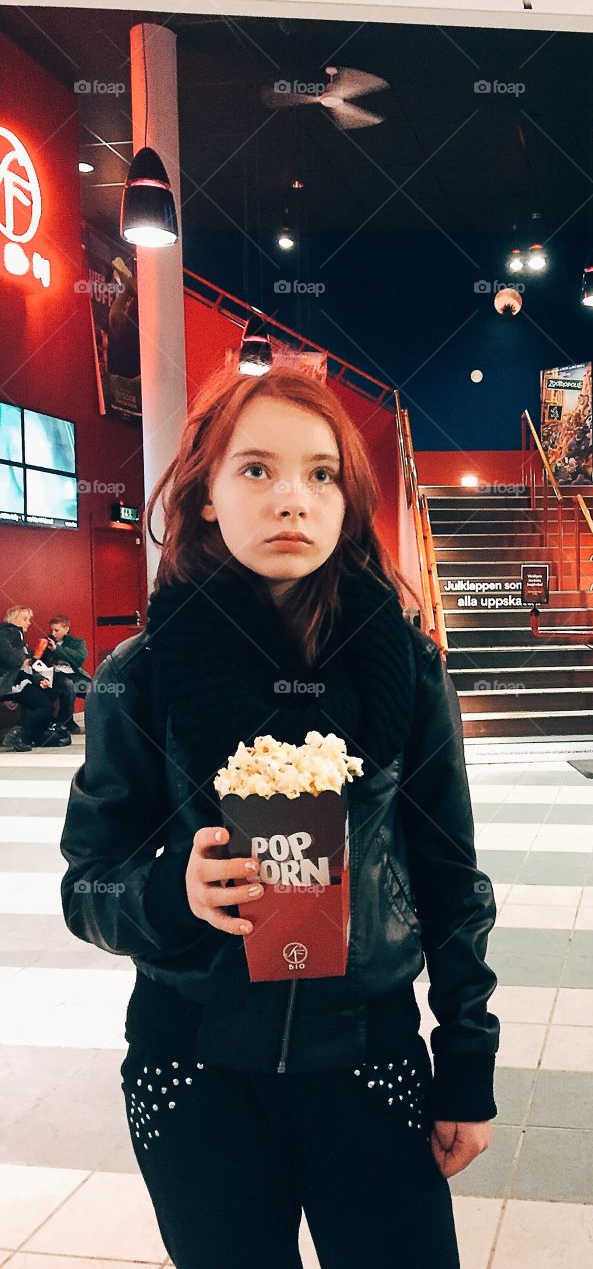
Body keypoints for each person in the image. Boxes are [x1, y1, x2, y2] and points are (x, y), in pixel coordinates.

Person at [59, 365, 499, 1269]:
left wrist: (466, 1062)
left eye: (321, 473)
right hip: (194, 1073)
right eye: (255, 469)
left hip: (370, 1065)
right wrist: (169, 893)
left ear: (348, 499)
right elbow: (88, 884)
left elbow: (453, 881)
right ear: (207, 496)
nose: (291, 498)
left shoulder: (408, 671)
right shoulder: (140, 677)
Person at [0, 606, 63, 751]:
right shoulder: (9, 631)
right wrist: (24, 660)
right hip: (10, 683)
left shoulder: (17, 635)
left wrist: (39, 679)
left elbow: (26, 668)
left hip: (18, 681)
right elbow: (10, 655)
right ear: (14, 619)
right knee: (45, 705)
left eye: (29, 619)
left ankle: (31, 734)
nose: (29, 622)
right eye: (25, 619)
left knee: (51, 693)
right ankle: (18, 734)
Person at [39, 614, 91, 735]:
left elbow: (79, 659)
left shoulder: (77, 642)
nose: (53, 633)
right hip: (55, 676)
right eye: (51, 630)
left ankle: (95, 722)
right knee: (68, 685)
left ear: (66, 629)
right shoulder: (46, 643)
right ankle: (66, 722)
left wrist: (57, 649)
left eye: (56, 630)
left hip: (74, 674)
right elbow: (39, 661)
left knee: (93, 690)